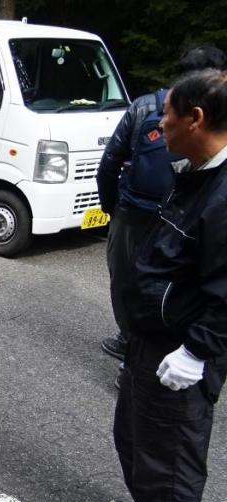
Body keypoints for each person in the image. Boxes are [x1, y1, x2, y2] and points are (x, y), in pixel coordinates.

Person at [105, 68, 227, 502]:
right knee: (134, 434)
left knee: (171, 447)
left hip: (181, 346)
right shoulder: (196, 172)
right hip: (150, 334)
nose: (160, 127)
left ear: (195, 119)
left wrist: (198, 351)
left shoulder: (223, 194)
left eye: (168, 115)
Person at [97, 46, 227, 362]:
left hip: (137, 211)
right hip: (168, 212)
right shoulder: (212, 135)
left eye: (169, 116)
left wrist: (111, 207)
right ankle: (141, 348)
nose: (164, 122)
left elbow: (111, 159)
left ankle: (133, 343)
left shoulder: (144, 107)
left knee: (131, 278)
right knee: (169, 283)